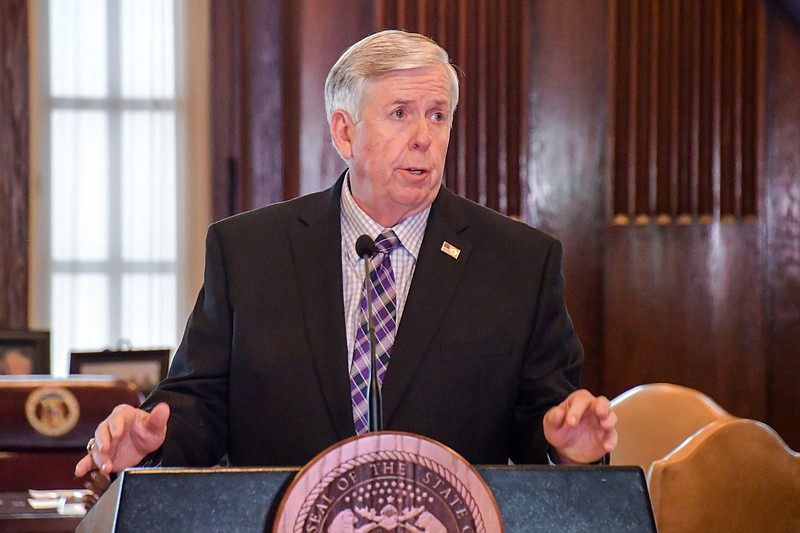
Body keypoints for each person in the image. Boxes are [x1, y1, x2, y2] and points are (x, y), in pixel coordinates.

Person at [76, 29, 617, 479]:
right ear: (344, 130)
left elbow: (544, 422)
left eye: (438, 115)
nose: (424, 137)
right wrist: (146, 445)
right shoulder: (249, 253)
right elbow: (200, 404)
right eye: (400, 113)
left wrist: (569, 447)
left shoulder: (518, 263)